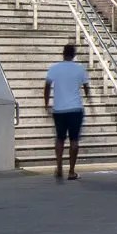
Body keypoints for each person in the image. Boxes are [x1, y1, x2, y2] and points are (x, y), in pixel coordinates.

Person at [42, 41, 89, 182]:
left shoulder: (54, 68)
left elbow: (47, 87)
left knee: (60, 138)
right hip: (75, 109)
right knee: (74, 140)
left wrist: (46, 104)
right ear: (74, 55)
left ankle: (59, 167)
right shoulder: (80, 69)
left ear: (63, 54)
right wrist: (89, 99)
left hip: (59, 109)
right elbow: (86, 87)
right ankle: (71, 171)